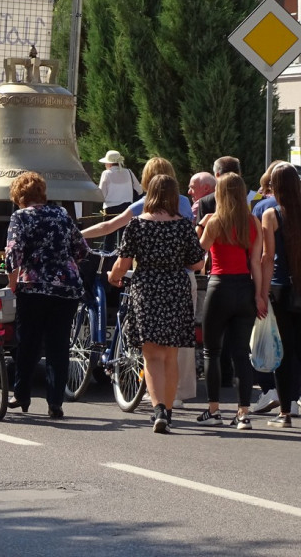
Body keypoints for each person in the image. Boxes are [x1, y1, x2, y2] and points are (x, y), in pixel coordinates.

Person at [108, 175, 206, 433]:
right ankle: (170, 410)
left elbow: (123, 264)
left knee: (151, 357)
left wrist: (113, 276)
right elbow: (197, 264)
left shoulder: (137, 225)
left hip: (147, 290)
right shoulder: (184, 226)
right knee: (170, 356)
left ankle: (158, 409)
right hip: (175, 289)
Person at [3, 171, 89, 420]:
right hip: (67, 288)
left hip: (33, 286)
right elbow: (81, 248)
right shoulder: (62, 214)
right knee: (58, 345)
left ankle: (21, 394)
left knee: (28, 342)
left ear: (19, 196)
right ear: (42, 192)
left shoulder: (20, 217)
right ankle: (55, 402)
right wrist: (64, 264)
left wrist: (12, 282)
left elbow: (14, 253)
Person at [195, 172, 265, 430]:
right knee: (241, 354)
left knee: (211, 351)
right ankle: (243, 414)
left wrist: (199, 227)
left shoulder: (214, 221)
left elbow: (197, 255)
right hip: (245, 288)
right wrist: (259, 295)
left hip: (219, 287)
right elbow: (256, 263)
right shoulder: (253, 222)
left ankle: (214, 410)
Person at [260, 163, 301, 427]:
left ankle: (285, 412)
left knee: (283, 351)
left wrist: (260, 293)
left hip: (280, 288)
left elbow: (266, 257)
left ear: (275, 186)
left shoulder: (272, 214)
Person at [97, 150, 141, 251]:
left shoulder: (106, 174)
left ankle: (107, 263)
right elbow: (139, 189)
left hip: (111, 209)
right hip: (127, 209)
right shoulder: (129, 172)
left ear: (109, 163)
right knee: (125, 239)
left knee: (109, 240)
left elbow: (101, 194)